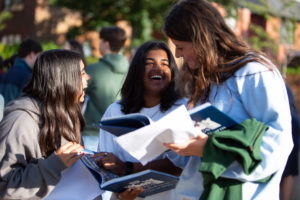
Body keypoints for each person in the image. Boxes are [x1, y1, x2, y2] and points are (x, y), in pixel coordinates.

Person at [162, 0, 293, 200]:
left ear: (201, 39)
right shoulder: (204, 75)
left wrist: (209, 149)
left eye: (181, 46)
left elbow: (277, 143)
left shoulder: (253, 73)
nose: (177, 54)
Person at [94, 41, 188, 200]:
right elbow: (105, 162)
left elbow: (181, 163)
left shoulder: (184, 108)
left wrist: (127, 169)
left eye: (164, 64)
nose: (157, 68)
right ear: (137, 71)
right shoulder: (115, 111)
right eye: (149, 63)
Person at [0, 50, 88, 199]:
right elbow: (5, 187)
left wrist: (92, 163)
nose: (87, 78)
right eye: (82, 73)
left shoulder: (67, 114)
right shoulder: (20, 121)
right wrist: (54, 164)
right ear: (63, 79)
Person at [83, 26, 129, 151]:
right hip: (123, 134)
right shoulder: (132, 69)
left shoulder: (94, 69)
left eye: (100, 41)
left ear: (106, 43)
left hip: (94, 132)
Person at [0, 38, 42, 105]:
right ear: (32, 54)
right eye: (39, 56)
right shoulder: (27, 76)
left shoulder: (8, 72)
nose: (40, 60)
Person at [280, 85, 300, 200]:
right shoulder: (285, 87)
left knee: (287, 172)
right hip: (293, 126)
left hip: (288, 127)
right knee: (289, 172)